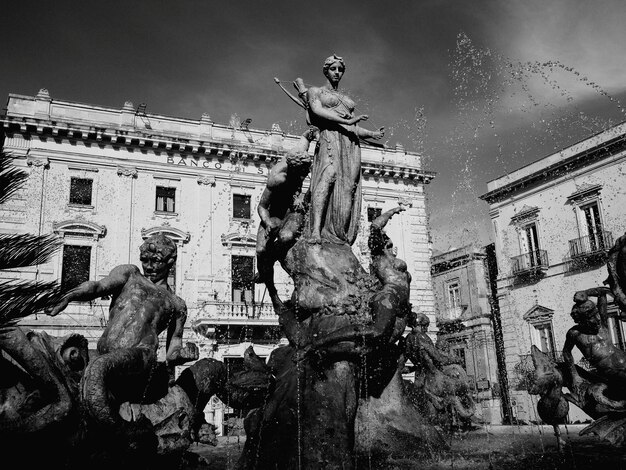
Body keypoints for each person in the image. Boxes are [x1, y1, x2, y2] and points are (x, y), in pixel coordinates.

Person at [48, 233, 198, 438]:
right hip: (105, 353)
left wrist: (185, 353)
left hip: (140, 355)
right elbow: (97, 287)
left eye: (156, 261)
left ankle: (122, 433)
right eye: (145, 260)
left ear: (171, 261)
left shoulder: (176, 303)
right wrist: (70, 294)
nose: (149, 266)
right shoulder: (130, 274)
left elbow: (172, 353)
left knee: (98, 368)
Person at [303, 54, 385, 245]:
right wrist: (347, 120)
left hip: (350, 145)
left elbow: (353, 127)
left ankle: (340, 235)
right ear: (326, 70)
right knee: (327, 177)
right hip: (330, 138)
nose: (337, 73)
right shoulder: (315, 91)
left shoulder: (346, 100)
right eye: (333, 69)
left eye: (340, 69)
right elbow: (317, 111)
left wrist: (372, 134)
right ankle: (316, 231)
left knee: (348, 187)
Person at [255, 127, 318, 308]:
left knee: (286, 237)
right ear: (290, 169)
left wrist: (316, 133)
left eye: (306, 172)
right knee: (260, 250)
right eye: (300, 174)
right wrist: (266, 222)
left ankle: (267, 263)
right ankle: (273, 295)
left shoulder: (300, 158)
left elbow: (306, 136)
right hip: (273, 214)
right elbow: (262, 206)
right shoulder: (276, 178)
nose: (303, 176)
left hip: (293, 211)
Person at [563, 287, 626, 395]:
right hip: (611, 375)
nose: (597, 320)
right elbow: (566, 352)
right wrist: (574, 375)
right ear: (582, 321)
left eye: (597, 315)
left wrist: (585, 293)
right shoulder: (575, 334)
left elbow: (602, 292)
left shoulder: (602, 323)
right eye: (592, 319)